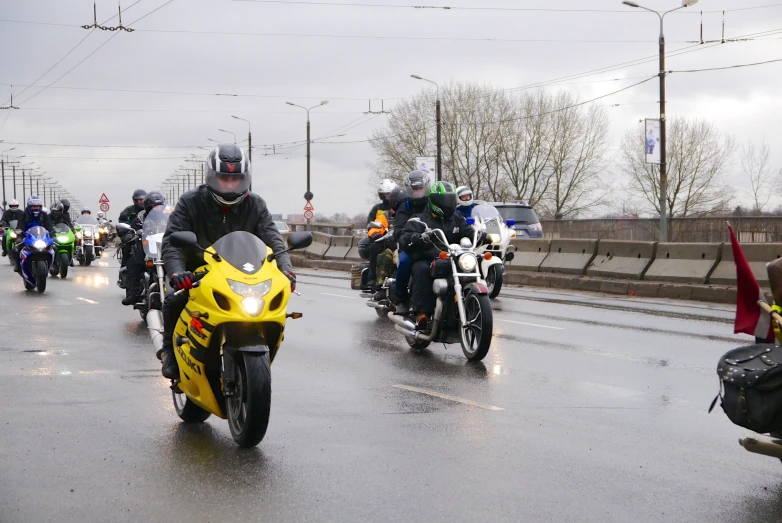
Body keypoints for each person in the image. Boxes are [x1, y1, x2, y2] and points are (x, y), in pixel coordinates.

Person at [159, 143, 295, 379]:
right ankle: (170, 351)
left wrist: (286, 268)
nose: (230, 184)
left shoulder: (256, 204)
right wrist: (177, 272)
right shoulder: (190, 202)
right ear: (211, 177)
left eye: (236, 179)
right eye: (224, 178)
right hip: (198, 272)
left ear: (245, 179)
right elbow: (172, 242)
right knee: (173, 299)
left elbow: (273, 239)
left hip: (241, 273)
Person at [399, 182, 478, 329]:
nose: (448, 203)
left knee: (470, 267)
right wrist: (416, 237)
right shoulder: (419, 219)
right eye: (444, 200)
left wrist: (481, 236)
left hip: (452, 258)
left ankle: (468, 304)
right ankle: (422, 314)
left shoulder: (457, 218)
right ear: (435, 201)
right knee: (421, 269)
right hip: (428, 257)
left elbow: (469, 231)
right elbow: (405, 237)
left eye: (450, 199)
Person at [392, 171, 432, 315]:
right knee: (403, 261)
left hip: (432, 244)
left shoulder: (433, 204)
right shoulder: (405, 208)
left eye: (420, 189)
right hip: (411, 247)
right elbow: (399, 232)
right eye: (415, 190)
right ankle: (401, 298)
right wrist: (412, 237)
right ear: (409, 190)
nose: (418, 193)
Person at [122, 192, 166, 306]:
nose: (157, 208)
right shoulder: (139, 220)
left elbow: (178, 227)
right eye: (154, 206)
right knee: (134, 263)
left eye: (159, 206)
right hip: (146, 248)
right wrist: (133, 234)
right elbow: (129, 232)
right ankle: (132, 294)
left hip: (165, 248)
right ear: (148, 207)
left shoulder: (169, 218)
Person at [364, 179, 396, 293]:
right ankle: (372, 280)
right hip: (383, 238)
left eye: (390, 194)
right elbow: (371, 225)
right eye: (386, 194)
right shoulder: (377, 209)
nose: (388, 196)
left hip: (399, 237)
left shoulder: (402, 207)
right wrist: (376, 234)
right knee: (374, 248)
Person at [9, 196, 54, 273]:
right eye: (33, 207)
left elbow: (49, 226)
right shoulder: (23, 215)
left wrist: (53, 235)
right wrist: (19, 236)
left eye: (37, 207)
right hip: (28, 237)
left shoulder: (44, 215)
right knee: (15, 249)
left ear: (40, 207)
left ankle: (53, 265)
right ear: (29, 206)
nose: (36, 208)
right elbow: (20, 226)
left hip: (42, 238)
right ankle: (18, 265)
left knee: (55, 247)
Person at [118, 189, 147, 274]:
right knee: (127, 246)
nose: (142, 202)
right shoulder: (129, 211)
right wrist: (129, 231)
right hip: (134, 235)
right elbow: (123, 222)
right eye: (140, 200)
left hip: (149, 234)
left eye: (143, 200)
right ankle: (124, 267)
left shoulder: (150, 209)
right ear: (135, 200)